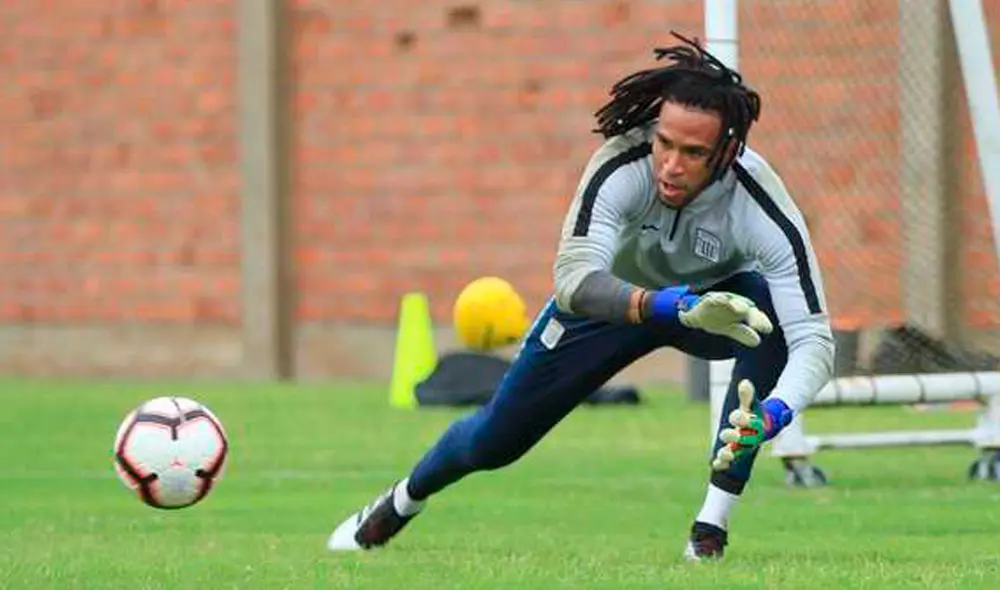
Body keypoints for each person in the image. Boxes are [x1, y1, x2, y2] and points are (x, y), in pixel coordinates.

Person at [327, 32, 835, 561]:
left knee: (768, 315)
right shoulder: (623, 163)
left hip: (714, 308)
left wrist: (775, 415)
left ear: (728, 152)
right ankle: (402, 499)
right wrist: (674, 306)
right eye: (665, 142)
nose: (670, 165)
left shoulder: (760, 203)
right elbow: (574, 280)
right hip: (611, 303)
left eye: (693, 152)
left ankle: (710, 527)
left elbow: (814, 340)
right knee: (495, 441)